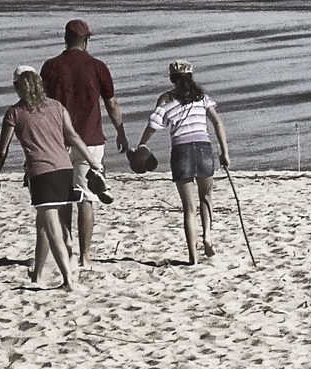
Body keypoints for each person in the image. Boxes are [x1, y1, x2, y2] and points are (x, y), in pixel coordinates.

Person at [0, 66, 104, 293]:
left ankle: (69, 280)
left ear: (16, 87)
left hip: (41, 173)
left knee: (51, 228)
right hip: (64, 169)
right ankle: (38, 273)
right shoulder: (56, 107)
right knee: (45, 224)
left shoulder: (14, 112)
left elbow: (2, 151)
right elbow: (72, 136)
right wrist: (92, 162)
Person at [40, 19, 128, 269]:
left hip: (57, 139)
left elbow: (42, 104)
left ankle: (67, 245)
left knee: (65, 196)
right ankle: (85, 255)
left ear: (65, 38)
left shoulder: (50, 66)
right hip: (90, 141)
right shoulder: (98, 66)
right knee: (86, 197)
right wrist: (121, 132)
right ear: (87, 39)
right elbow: (111, 104)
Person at [135, 61, 230, 265]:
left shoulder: (166, 98)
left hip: (181, 150)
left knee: (189, 208)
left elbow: (153, 124)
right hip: (204, 148)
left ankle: (193, 257)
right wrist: (224, 151)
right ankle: (207, 236)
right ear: (191, 75)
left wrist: (142, 144)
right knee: (206, 197)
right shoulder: (202, 97)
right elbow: (217, 122)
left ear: (172, 78)